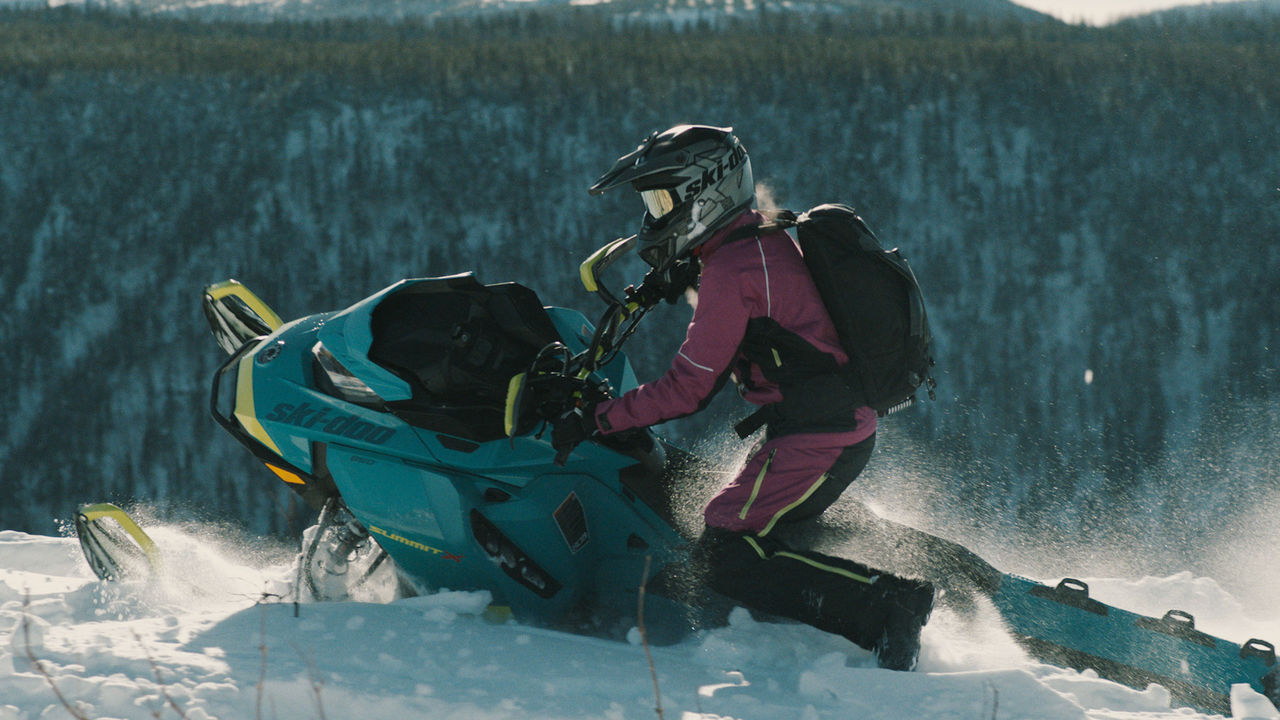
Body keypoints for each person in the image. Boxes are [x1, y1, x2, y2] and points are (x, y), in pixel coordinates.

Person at [558, 124, 935, 670]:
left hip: (818, 434)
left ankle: (888, 606)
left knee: (723, 551)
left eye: (663, 200)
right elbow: (767, 298)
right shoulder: (753, 239)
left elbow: (689, 388)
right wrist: (682, 272)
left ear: (704, 194)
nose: (654, 215)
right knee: (748, 523)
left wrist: (601, 417)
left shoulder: (732, 270)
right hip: (826, 424)